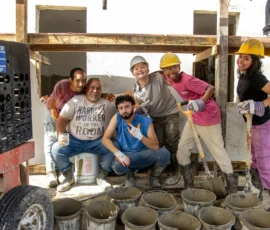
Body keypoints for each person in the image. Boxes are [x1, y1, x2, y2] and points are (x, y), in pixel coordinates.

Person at [159, 52, 238, 194]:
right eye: (166, 69)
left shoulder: (188, 80)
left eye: (173, 68)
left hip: (207, 116)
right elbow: (160, 75)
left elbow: (210, 88)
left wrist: (201, 101)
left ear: (179, 67)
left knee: (218, 151)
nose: (170, 72)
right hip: (193, 116)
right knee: (182, 151)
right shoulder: (168, 78)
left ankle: (232, 188)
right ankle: (189, 186)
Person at [51, 78, 118, 192]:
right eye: (92, 87)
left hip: (97, 141)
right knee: (56, 149)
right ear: (86, 89)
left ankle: (101, 176)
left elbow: (120, 117)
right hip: (74, 140)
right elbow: (62, 119)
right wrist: (60, 134)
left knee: (115, 146)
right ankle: (68, 176)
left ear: (102, 91)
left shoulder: (107, 104)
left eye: (98, 88)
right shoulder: (76, 101)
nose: (95, 91)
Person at [129, 56, 181, 186]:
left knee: (172, 143)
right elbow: (135, 103)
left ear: (148, 68)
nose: (139, 70)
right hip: (155, 117)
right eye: (136, 68)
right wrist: (139, 108)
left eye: (142, 67)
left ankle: (176, 171)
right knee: (158, 144)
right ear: (132, 73)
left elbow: (175, 80)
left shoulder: (158, 77)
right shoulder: (135, 90)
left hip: (170, 112)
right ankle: (157, 171)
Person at [102, 95, 170, 188]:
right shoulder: (117, 117)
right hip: (128, 156)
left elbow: (155, 146)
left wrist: (140, 136)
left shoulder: (146, 120)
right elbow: (105, 138)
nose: (124, 110)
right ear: (118, 109)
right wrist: (118, 153)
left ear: (133, 106)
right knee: (117, 166)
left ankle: (154, 176)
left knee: (165, 153)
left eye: (127, 107)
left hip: (145, 155)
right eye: (121, 108)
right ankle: (129, 175)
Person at [235, 39, 270, 201]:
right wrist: (239, 105)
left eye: (246, 58)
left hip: (263, 123)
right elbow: (243, 96)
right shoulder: (243, 76)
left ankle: (269, 195)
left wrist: (260, 105)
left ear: (255, 62)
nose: (241, 60)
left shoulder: (257, 78)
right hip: (252, 124)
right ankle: (258, 190)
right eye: (240, 56)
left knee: (263, 160)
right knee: (254, 159)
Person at [44, 67, 87, 188]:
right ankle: (51, 173)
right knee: (51, 139)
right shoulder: (61, 85)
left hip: (66, 118)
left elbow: (95, 92)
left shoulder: (84, 89)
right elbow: (52, 107)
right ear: (70, 80)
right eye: (78, 80)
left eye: (83, 80)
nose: (81, 83)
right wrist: (60, 124)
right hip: (53, 114)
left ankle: (62, 171)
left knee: (64, 143)